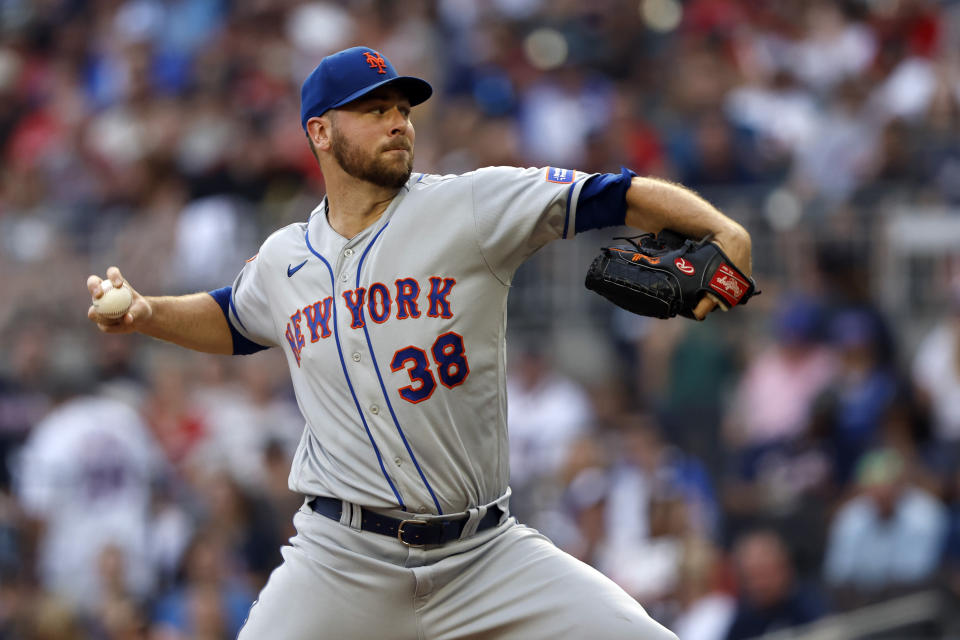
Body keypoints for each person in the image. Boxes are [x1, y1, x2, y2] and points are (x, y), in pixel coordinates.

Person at [85, 46, 752, 639]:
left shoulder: (468, 206)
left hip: (483, 554)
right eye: (373, 110)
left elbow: (611, 194)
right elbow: (233, 318)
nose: (398, 122)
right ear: (319, 132)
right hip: (341, 560)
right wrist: (146, 312)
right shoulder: (285, 257)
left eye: (402, 108)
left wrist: (725, 231)